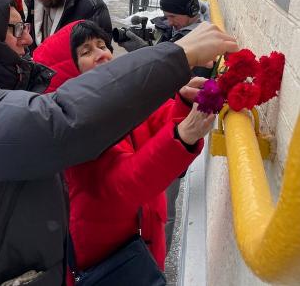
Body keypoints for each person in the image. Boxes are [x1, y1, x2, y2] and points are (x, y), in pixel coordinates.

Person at [0, 0, 238, 285]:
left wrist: (183, 108)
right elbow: (58, 125)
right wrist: (177, 57)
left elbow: (141, 121)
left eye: (102, 45)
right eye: (14, 29)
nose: (28, 38)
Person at [33, 20, 214, 283]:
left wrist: (185, 103)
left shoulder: (118, 102)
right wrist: (183, 137)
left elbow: (157, 119)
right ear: (67, 73)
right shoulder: (74, 129)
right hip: (107, 261)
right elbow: (121, 186)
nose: (102, 54)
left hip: (142, 243)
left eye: (102, 45)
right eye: (86, 52)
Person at [118, 0, 211, 252]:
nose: (169, 22)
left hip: (177, 131)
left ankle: (156, 263)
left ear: (190, 10)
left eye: (173, 16)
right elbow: (159, 60)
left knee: (164, 207)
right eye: (167, 16)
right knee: (152, 200)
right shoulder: (184, 33)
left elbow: (166, 71)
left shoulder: (198, 44)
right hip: (164, 124)